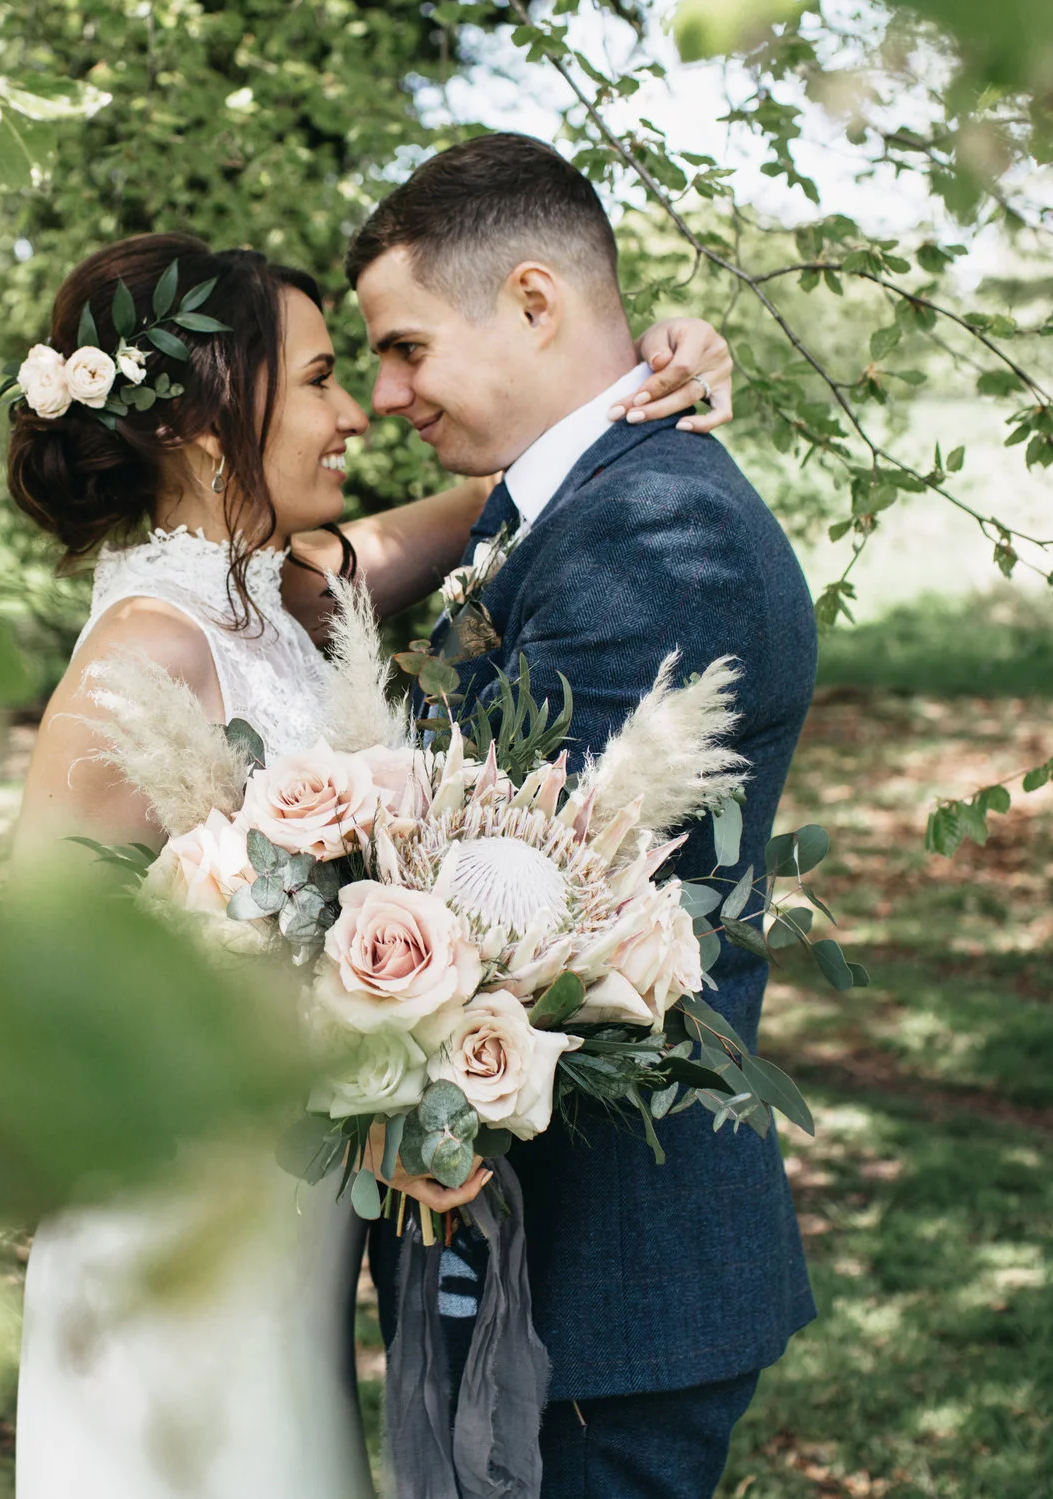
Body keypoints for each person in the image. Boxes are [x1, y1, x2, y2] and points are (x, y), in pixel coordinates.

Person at [2, 228, 737, 1499]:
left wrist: (642, 374)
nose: (358, 413)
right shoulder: (146, 643)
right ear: (194, 419)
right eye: (324, 379)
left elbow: (502, 495)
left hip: (291, 1230)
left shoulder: (285, 591)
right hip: (180, 1230)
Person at [349, 132, 817, 1499]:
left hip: (603, 1275)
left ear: (535, 301)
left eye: (407, 346)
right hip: (529, 1260)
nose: (387, 393)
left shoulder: (662, 534)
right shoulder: (568, 506)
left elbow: (515, 913)